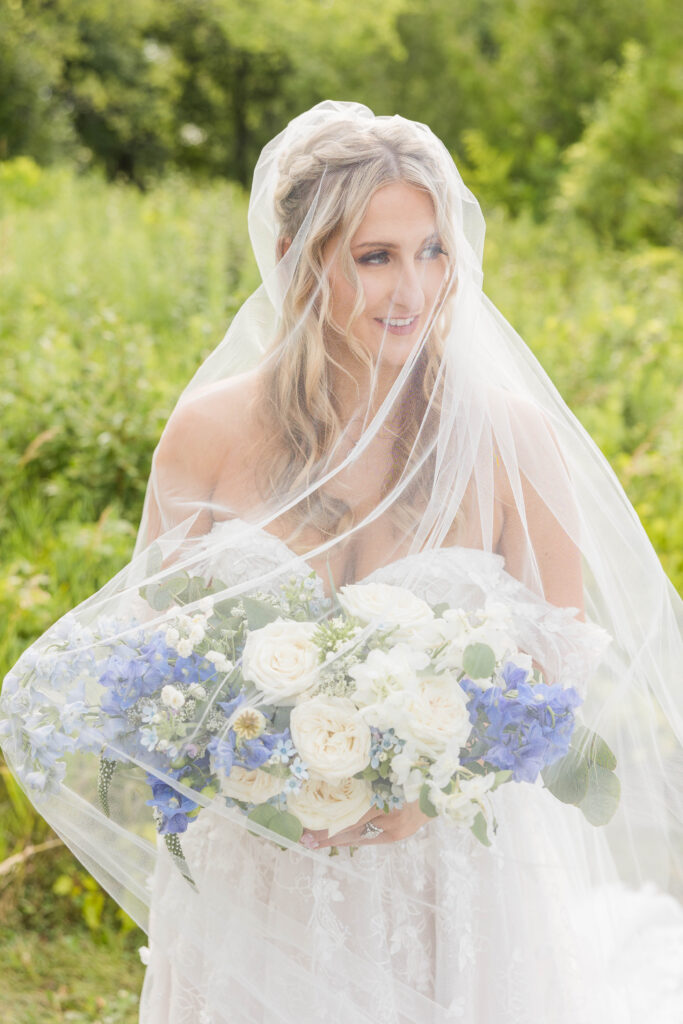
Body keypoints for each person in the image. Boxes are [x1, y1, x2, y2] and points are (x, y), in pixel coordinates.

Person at [1, 100, 682, 1023]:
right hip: (259, 869)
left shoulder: (506, 437)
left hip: (451, 876)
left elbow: (555, 661)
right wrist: (260, 777)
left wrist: (438, 789)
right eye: (376, 257)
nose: (413, 288)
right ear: (297, 260)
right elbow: (152, 654)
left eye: (431, 250)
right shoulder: (207, 432)